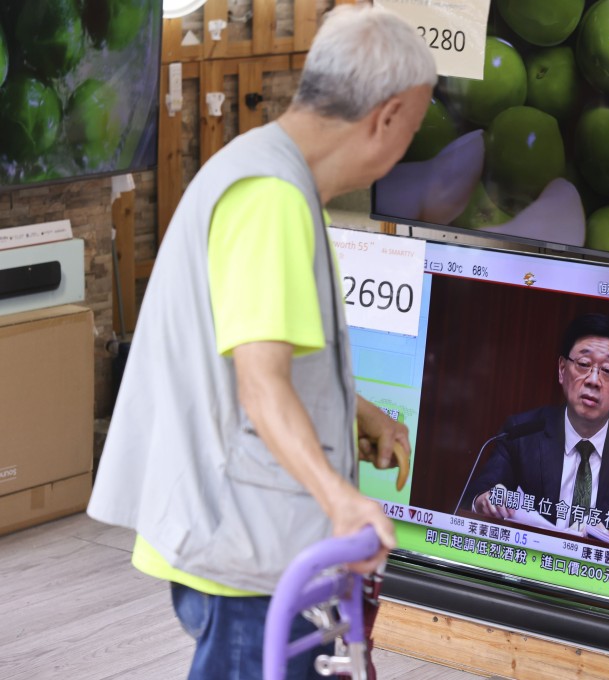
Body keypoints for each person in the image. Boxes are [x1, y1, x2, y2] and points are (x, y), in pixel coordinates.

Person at [86, 5, 436, 678]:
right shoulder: (270, 198)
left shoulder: (269, 177)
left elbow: (270, 354)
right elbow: (260, 382)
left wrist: (360, 416)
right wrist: (342, 499)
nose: (408, 145)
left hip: (254, 535)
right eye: (414, 128)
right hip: (245, 548)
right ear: (387, 117)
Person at [466, 313, 609, 554]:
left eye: (608, 370)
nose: (593, 380)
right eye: (583, 364)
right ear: (561, 369)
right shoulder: (520, 434)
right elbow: (476, 496)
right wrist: (484, 501)